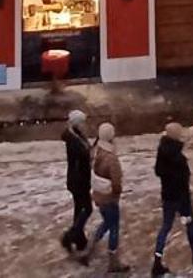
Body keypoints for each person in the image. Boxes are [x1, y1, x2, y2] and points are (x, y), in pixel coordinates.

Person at [151, 122, 193, 276]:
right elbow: (183, 181)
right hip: (180, 198)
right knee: (190, 224)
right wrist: (184, 206)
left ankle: (156, 262)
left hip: (167, 196)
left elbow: (158, 171)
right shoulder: (178, 157)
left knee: (165, 227)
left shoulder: (162, 151)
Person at [90, 121, 129, 273]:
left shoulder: (96, 151)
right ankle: (113, 262)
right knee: (114, 227)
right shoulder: (111, 158)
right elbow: (116, 183)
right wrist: (116, 195)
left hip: (98, 195)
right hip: (109, 199)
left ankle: (90, 248)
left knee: (106, 222)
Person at [58, 110, 94, 259]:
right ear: (77, 123)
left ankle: (79, 239)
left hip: (79, 178)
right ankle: (70, 236)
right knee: (88, 208)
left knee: (80, 209)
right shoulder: (73, 140)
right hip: (78, 180)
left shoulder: (76, 135)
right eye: (82, 122)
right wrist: (89, 153)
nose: (85, 125)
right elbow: (83, 155)